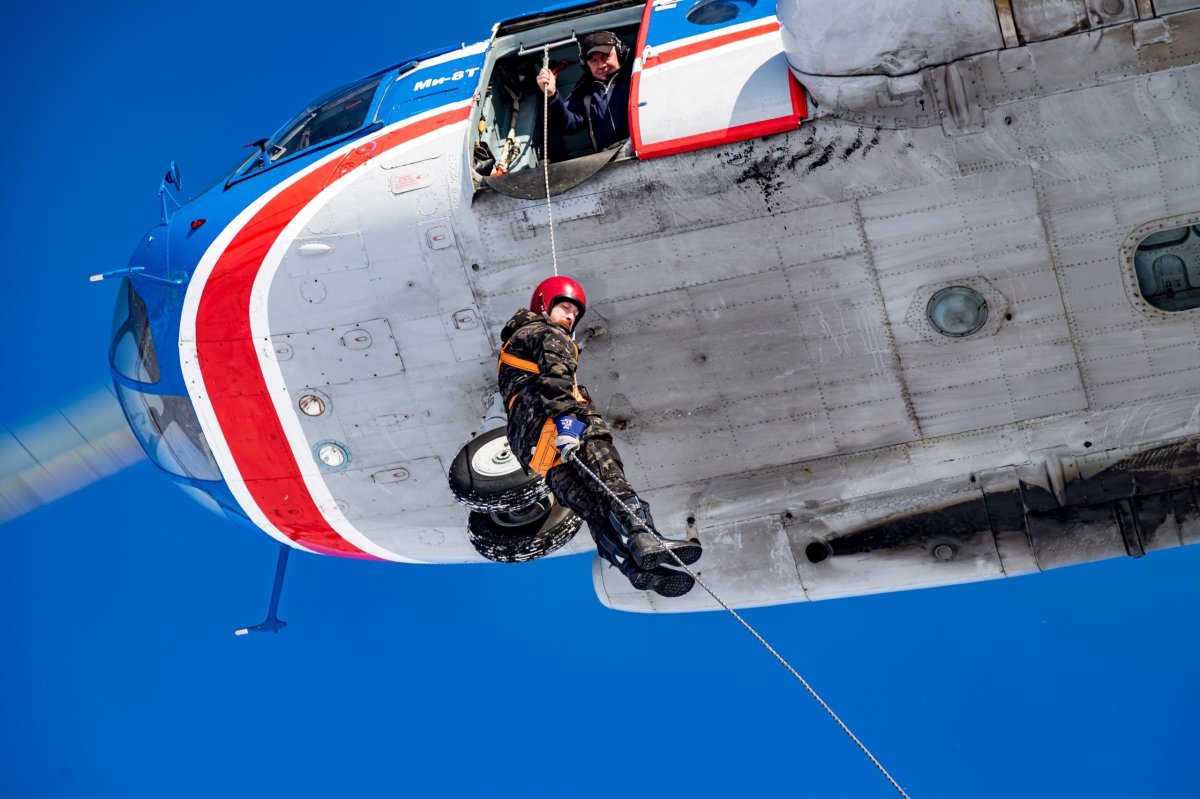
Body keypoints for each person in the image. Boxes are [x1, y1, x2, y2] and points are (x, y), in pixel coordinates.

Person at [497, 276, 702, 597]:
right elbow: (556, 378)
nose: (570, 316)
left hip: (532, 447)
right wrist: (568, 424)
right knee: (608, 478)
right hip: (557, 423)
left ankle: (628, 563)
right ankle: (643, 535)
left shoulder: (515, 342)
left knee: (591, 506)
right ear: (544, 305)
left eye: (574, 314)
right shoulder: (549, 334)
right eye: (564, 307)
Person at [536, 31, 632, 154]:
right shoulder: (584, 92)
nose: (601, 65)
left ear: (618, 53)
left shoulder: (634, 75)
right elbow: (567, 124)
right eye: (594, 60)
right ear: (586, 65)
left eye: (606, 57)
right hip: (609, 158)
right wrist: (551, 94)